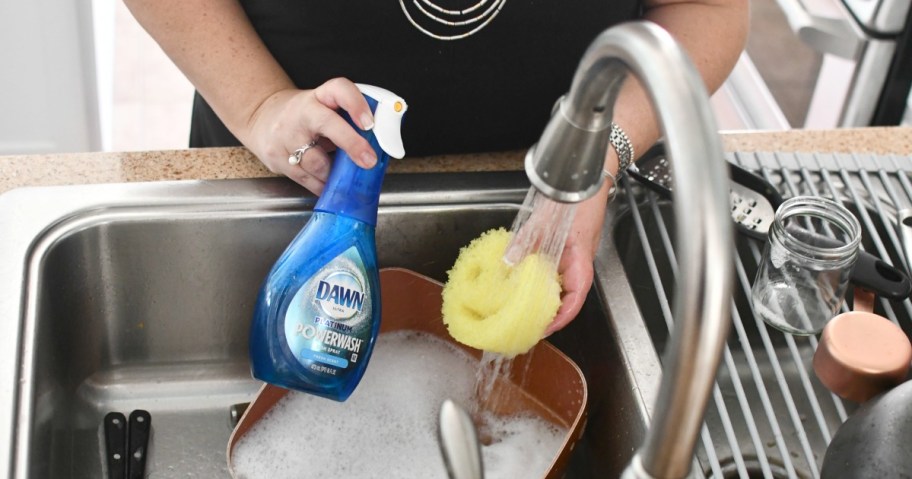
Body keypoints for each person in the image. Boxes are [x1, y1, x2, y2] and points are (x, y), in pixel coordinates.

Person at [124, 0, 749, 334]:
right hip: (293, 166)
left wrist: (600, 152)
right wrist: (259, 103)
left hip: (557, 184)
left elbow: (712, 10)